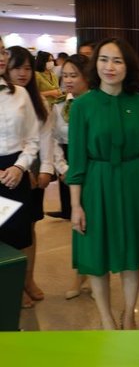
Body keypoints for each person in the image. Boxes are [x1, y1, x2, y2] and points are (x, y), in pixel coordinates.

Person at [66, 37, 139, 330]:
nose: (110, 67)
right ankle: (106, 317)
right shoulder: (82, 105)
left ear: (128, 66)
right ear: (95, 65)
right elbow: (77, 160)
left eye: (117, 60)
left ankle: (129, 314)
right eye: (103, 59)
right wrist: (76, 205)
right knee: (97, 251)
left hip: (133, 183)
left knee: (131, 252)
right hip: (96, 184)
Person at [7, 46, 53, 309]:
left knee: (28, 228)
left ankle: (28, 279)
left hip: (31, 170)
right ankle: (12, 282)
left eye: (27, 68)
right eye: (17, 67)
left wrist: (44, 169)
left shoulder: (37, 100)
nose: (22, 73)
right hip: (11, 169)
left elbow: (45, 138)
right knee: (9, 228)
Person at [47, 54, 93, 299]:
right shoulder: (59, 105)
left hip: (94, 166)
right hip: (69, 166)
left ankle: (96, 273)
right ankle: (80, 274)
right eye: (65, 75)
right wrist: (63, 168)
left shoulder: (97, 103)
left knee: (95, 222)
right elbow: (53, 139)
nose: (68, 80)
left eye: (74, 75)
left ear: (87, 77)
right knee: (77, 223)